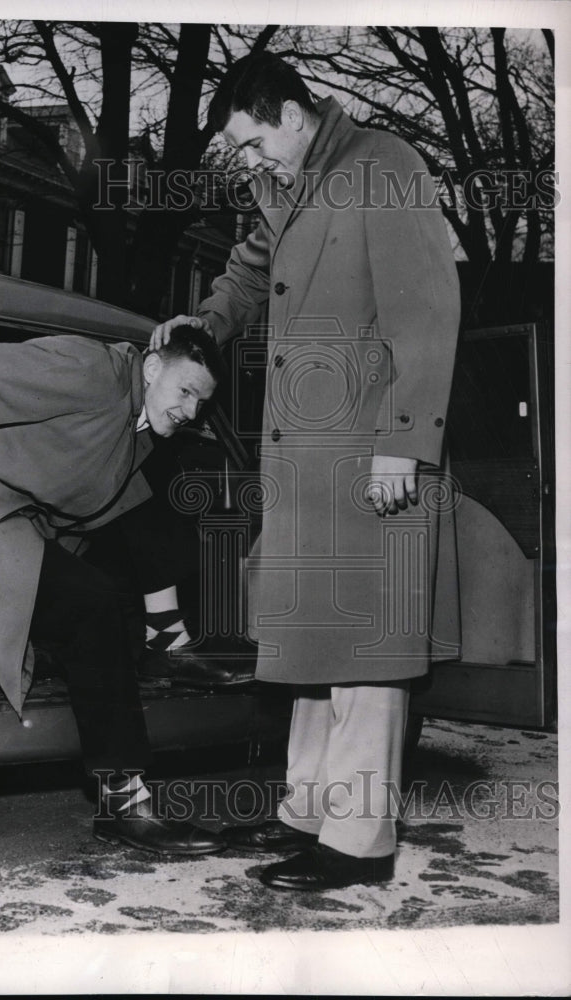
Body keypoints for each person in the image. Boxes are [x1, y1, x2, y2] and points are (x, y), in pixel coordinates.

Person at [152, 53, 461, 890]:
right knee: (312, 643)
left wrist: (405, 441)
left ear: (291, 112)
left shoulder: (384, 167)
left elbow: (429, 312)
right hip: (306, 452)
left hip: (370, 446)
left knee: (366, 647)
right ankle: (306, 814)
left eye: (253, 143)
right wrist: (203, 326)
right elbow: (250, 272)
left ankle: (359, 842)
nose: (248, 162)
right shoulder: (286, 186)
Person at [0, 324, 230, 855]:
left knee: (152, 500)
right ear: (152, 367)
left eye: (201, 403)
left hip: (20, 519)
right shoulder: (95, 372)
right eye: (185, 391)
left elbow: (101, 502)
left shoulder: (139, 426)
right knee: (94, 605)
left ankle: (166, 638)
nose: (191, 412)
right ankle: (125, 805)